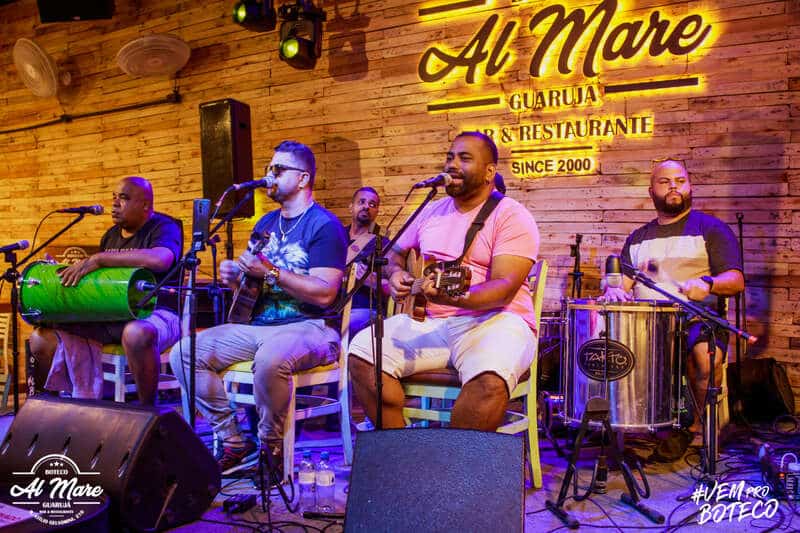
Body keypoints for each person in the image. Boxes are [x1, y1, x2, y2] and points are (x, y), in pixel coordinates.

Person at [169, 140, 347, 476]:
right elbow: (251, 289)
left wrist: (273, 272)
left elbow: (325, 294)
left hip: (309, 327)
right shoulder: (265, 224)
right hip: (258, 327)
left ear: (303, 178)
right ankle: (234, 440)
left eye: (278, 170)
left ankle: (271, 447)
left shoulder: (324, 226)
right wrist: (235, 277)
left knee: (271, 358)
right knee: (184, 352)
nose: (269, 176)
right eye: (269, 168)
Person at [348, 131, 540, 431]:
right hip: (436, 325)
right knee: (362, 353)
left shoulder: (512, 215)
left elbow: (502, 289)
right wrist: (396, 273)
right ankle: (401, 453)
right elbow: (393, 252)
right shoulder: (430, 210)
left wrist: (447, 297)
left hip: (496, 321)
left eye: (464, 158)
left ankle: (451, 470)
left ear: (490, 171)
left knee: (489, 381)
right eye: (450, 157)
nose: (452, 164)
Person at [603, 158, 744, 448]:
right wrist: (613, 289)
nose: (673, 187)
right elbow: (624, 283)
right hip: (647, 326)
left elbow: (736, 279)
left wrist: (708, 283)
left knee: (706, 358)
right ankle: (629, 424)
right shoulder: (638, 238)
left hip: (697, 320)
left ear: (689, 186)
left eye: (680, 181)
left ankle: (700, 428)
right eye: (665, 182)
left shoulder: (711, 229)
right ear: (651, 191)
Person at [28, 176, 183, 406]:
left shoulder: (164, 226)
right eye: (114, 198)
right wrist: (58, 273)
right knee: (41, 338)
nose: (115, 204)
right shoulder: (110, 236)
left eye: (123, 198)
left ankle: (147, 412)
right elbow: (98, 283)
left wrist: (100, 259)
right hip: (111, 315)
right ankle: (59, 408)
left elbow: (161, 259)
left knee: (135, 333)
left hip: (155, 313)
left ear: (145, 205)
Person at [345, 186, 390, 338]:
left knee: (347, 324)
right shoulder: (335, 237)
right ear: (351, 207)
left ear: (377, 212)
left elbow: (392, 287)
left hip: (364, 310)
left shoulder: (383, 244)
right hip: (331, 307)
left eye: (372, 204)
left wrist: (369, 279)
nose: (366, 206)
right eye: (361, 202)